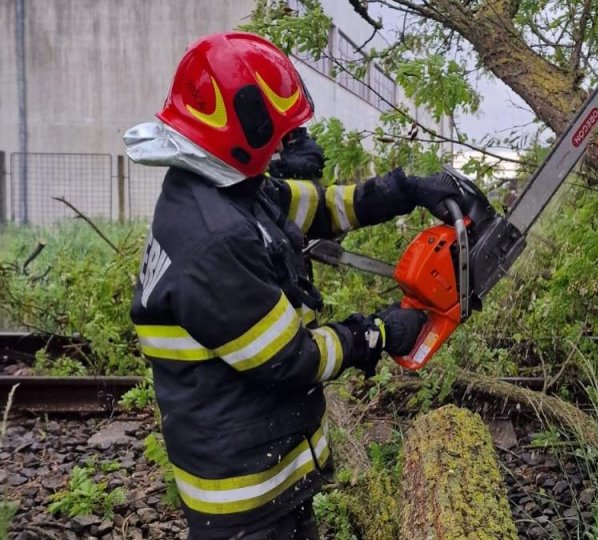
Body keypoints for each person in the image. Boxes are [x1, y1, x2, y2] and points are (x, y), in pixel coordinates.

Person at [124, 32, 464, 539]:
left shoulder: (223, 188)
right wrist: (377, 334)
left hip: (264, 467)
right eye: (277, 135)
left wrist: (405, 190)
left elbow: (322, 207)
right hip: (244, 497)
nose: (282, 148)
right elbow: (292, 360)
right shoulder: (214, 239)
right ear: (244, 128)